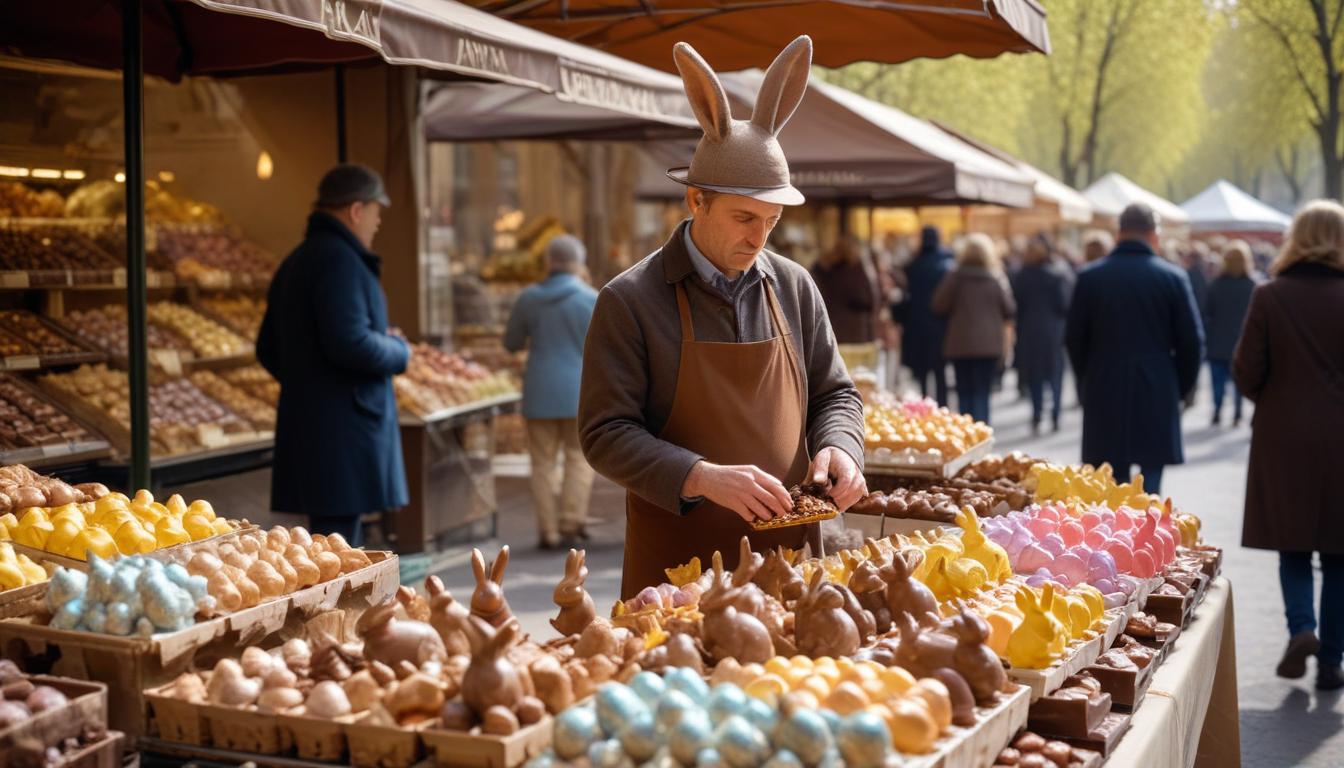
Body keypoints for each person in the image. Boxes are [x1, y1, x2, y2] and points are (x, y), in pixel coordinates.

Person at [578, 36, 866, 599]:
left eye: (772, 220)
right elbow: (604, 433)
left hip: (790, 563)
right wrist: (701, 476)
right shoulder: (629, 299)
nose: (759, 237)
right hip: (678, 571)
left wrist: (841, 446)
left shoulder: (795, 285)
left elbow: (836, 393)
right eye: (743, 217)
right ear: (696, 202)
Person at [257, 164, 409, 546]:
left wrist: (308, 384)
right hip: (345, 435)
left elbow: (267, 348)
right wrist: (397, 349)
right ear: (357, 210)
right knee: (338, 554)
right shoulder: (341, 261)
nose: (378, 224)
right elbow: (350, 342)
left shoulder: (298, 260)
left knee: (327, 548)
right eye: (377, 212)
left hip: (314, 429)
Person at [1233, 200, 1344, 690]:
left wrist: (1278, 399)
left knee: (1293, 544)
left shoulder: (1270, 296)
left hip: (1285, 437)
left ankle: (1303, 628)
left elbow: (1246, 371)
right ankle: (1333, 662)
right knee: (1341, 554)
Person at [1065, 204, 1204, 494]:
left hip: (1104, 380)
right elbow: (1191, 341)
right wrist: (1181, 386)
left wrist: (1086, 377)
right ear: (1154, 235)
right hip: (1157, 380)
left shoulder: (1091, 277)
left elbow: (1074, 338)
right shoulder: (1172, 277)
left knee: (1109, 481)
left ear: (1119, 234)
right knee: (1151, 481)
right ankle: (1150, 533)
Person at [504, 234, 599, 550]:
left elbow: (511, 343)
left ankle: (548, 531)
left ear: (549, 263)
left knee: (542, 464)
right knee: (578, 458)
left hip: (539, 390)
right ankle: (571, 522)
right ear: (578, 263)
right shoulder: (591, 298)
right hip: (580, 390)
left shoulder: (528, 298)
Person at [929, 234, 1015, 424]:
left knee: (964, 392)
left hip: (961, 344)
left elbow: (938, 305)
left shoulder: (954, 277)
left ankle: (968, 434)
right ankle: (982, 433)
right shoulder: (995, 278)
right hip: (989, 345)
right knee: (982, 392)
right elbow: (1009, 309)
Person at [1011, 235, 1074, 434]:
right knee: (1054, 374)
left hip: (1029, 330)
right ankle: (1055, 413)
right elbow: (1064, 304)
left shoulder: (1022, 276)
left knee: (1035, 375)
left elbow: (1016, 305)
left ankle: (1037, 412)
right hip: (1053, 331)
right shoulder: (1057, 275)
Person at [896, 226, 953, 405]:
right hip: (940, 324)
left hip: (917, 325)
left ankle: (924, 406)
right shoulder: (947, 264)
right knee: (940, 370)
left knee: (922, 372)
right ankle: (942, 406)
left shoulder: (914, 264)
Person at [1204, 240, 1258, 427]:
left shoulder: (1216, 285)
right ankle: (1237, 413)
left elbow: (1207, 313)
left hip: (1218, 341)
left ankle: (1218, 410)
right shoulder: (1252, 286)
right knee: (1238, 382)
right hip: (1241, 342)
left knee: (1217, 381)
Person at [810, 238, 880, 344]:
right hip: (855, 332)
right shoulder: (855, 271)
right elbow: (869, 300)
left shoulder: (822, 269)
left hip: (833, 330)